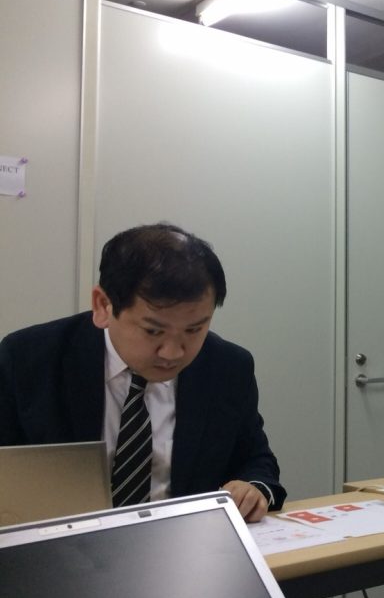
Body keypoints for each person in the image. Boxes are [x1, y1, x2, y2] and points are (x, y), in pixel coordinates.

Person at [0, 223, 286, 522]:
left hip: (183, 538)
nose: (173, 352)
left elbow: (256, 459)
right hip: (62, 540)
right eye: (153, 331)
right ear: (103, 305)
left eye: (194, 330)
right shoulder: (29, 360)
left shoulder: (228, 367)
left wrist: (253, 488)